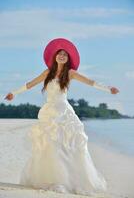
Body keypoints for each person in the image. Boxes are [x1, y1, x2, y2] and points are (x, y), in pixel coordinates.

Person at [4, 38, 119, 196]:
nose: (62, 56)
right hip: (49, 113)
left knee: (67, 147)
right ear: (55, 56)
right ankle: (52, 178)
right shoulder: (47, 72)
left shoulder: (70, 73)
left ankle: (68, 181)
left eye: (65, 54)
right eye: (60, 53)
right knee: (50, 146)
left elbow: (90, 82)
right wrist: (14, 93)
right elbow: (30, 84)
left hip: (64, 113)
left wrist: (108, 89)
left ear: (68, 58)